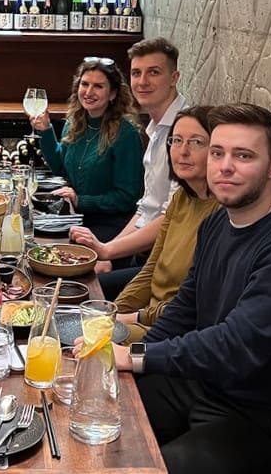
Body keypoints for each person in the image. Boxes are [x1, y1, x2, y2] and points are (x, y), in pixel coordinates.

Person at [87, 103, 271, 473]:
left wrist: (137, 357)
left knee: (149, 465)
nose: (225, 165)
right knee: (90, 397)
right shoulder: (216, 224)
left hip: (268, 414)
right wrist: (130, 351)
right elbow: (185, 309)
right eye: (217, 152)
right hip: (207, 383)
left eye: (243, 155)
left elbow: (236, 345)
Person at [69, 37, 187, 299]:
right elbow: (146, 208)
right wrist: (106, 250)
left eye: (153, 72)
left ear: (174, 77)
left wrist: (109, 251)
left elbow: (171, 218)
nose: (143, 81)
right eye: (136, 73)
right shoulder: (156, 129)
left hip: (168, 263)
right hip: (145, 252)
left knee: (79, 293)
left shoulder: (183, 130)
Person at [114, 106, 221, 344]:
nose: (182, 151)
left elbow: (192, 306)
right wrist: (112, 311)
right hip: (145, 319)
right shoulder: (181, 198)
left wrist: (128, 319)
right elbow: (151, 269)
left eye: (196, 142)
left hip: (173, 335)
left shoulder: (221, 214)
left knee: (76, 340)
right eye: (176, 140)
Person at [29, 57, 144, 242]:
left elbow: (126, 198)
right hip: (74, 218)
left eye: (98, 86)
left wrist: (80, 200)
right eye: (85, 84)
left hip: (110, 226)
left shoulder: (126, 134)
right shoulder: (74, 123)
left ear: (113, 93)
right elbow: (61, 168)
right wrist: (45, 131)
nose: (89, 92)